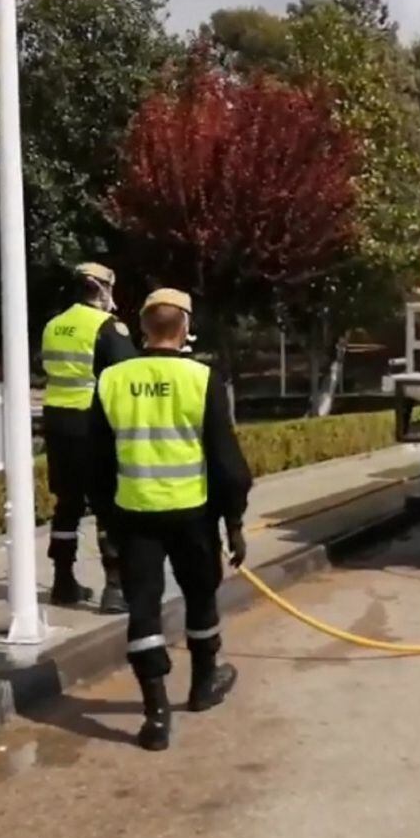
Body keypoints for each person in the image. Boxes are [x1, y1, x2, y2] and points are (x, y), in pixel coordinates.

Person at [88, 288, 252, 751]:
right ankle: (203, 686)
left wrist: (105, 522)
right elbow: (226, 460)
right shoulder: (201, 378)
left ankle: (155, 717)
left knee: (143, 609)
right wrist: (234, 522)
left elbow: (97, 462)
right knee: (201, 598)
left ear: (143, 328)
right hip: (193, 515)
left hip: (134, 515)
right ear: (183, 328)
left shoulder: (112, 380)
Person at [40, 261, 136, 613]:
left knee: (67, 504)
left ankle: (62, 581)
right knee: (107, 506)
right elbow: (126, 375)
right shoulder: (108, 327)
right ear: (101, 288)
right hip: (93, 425)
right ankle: (115, 588)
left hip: (57, 424)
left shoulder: (53, 325)